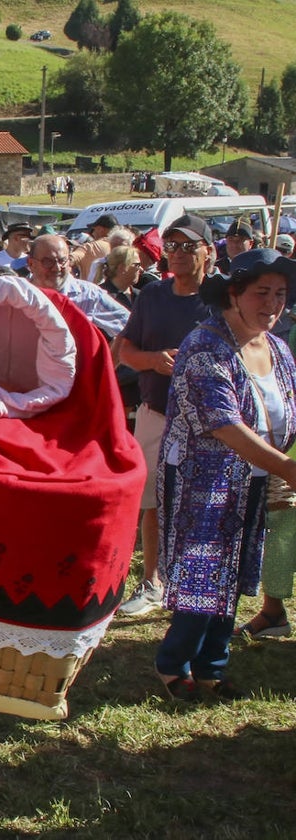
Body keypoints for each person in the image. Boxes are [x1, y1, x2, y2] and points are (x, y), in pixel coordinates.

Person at [155, 248, 296, 701]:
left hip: (254, 477)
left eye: (280, 293)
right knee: (203, 574)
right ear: (233, 293)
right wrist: (288, 468)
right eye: (261, 293)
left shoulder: (277, 347)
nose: (273, 304)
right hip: (203, 479)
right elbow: (222, 423)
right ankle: (173, 664)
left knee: (234, 576)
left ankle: (212, 666)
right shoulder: (204, 345)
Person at [115, 215, 216, 617]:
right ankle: (152, 581)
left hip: (210, 420)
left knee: (200, 502)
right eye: (172, 246)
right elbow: (126, 351)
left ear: (208, 251)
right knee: (153, 501)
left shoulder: (223, 299)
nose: (178, 254)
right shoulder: (152, 296)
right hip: (156, 412)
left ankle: (194, 581)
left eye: (188, 246)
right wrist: (153, 362)